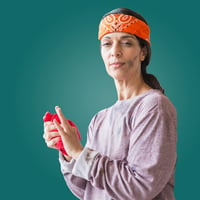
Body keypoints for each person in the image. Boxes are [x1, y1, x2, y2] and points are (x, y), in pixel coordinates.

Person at [43, 8, 177, 200]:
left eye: (126, 43)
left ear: (143, 52)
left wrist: (80, 152)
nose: (115, 51)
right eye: (107, 44)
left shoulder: (154, 106)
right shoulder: (100, 118)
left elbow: (140, 188)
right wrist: (68, 151)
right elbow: (88, 191)